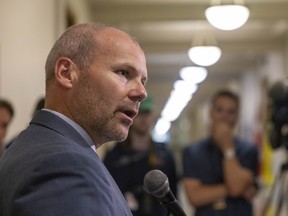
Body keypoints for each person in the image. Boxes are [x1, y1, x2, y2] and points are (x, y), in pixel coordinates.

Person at [0, 23, 148, 216]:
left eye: (143, 81)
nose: (141, 93)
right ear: (66, 73)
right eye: (123, 73)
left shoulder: (39, 147)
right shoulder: (64, 163)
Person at [182, 89, 259, 216]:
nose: (224, 117)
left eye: (230, 112)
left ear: (237, 117)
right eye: (219, 110)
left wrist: (228, 148)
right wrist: (237, 188)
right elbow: (195, 197)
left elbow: (235, 187)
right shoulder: (192, 152)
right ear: (211, 112)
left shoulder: (249, 151)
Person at [103, 94, 178, 216]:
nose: (143, 118)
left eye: (147, 113)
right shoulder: (114, 157)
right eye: (138, 113)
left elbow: (174, 195)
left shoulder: (165, 155)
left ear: (152, 115)